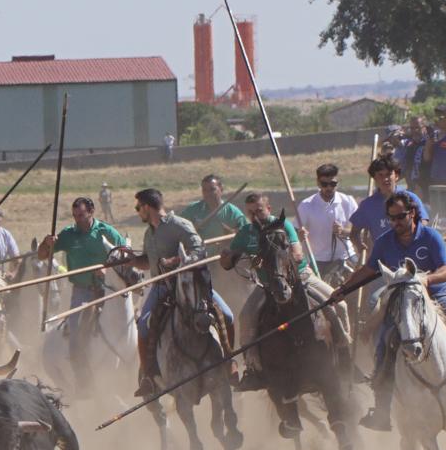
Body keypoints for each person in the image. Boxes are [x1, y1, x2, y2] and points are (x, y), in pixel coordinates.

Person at [332, 190, 446, 428]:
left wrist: (427, 280)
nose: (396, 222)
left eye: (400, 217)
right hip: (402, 301)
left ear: (413, 214)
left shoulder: (430, 236)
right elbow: (368, 270)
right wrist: (344, 289)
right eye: (392, 218)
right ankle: (382, 407)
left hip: (438, 296)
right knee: (384, 341)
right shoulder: (385, 241)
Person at [122, 188, 233, 398]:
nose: (138, 212)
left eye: (139, 208)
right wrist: (133, 261)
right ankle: (148, 376)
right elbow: (149, 263)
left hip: (188, 284)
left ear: (147, 207)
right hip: (161, 287)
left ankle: (229, 363)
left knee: (227, 315)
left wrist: (176, 260)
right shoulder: (149, 233)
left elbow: (199, 250)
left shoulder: (179, 225)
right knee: (144, 326)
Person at [221, 193, 337, 392]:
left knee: (338, 304)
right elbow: (226, 263)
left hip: (300, 279)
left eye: (259, 210)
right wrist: (227, 256)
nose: (255, 215)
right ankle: (252, 368)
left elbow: (298, 255)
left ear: (268, 207)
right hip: (267, 286)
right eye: (251, 212)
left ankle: (343, 353)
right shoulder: (246, 233)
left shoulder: (284, 225)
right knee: (246, 317)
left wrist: (273, 257)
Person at [38, 197, 127, 381]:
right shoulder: (68, 234)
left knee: (130, 320)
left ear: (91, 211)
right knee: (75, 327)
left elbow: (124, 255)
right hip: (82, 290)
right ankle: (81, 374)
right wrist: (47, 243)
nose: (78, 219)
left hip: (109, 289)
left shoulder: (106, 232)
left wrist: (107, 268)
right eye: (75, 216)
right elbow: (42, 256)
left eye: (81, 215)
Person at [353, 155, 432, 262]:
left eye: (389, 174)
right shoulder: (367, 205)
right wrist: (360, 246)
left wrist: (414, 237)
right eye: (380, 175)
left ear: (396, 176)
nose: (385, 179)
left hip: (413, 257)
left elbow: (423, 221)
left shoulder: (410, 198)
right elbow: (354, 233)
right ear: (374, 178)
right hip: (384, 261)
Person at [296, 163, 359, 282]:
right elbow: (294, 233)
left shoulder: (348, 202)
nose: (329, 188)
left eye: (333, 184)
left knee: (363, 280)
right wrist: (300, 235)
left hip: (345, 256)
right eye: (324, 184)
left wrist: (343, 231)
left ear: (337, 182)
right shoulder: (306, 205)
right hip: (317, 259)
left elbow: (357, 232)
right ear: (318, 183)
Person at [177, 174, 247, 240]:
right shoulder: (192, 210)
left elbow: (245, 237)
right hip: (199, 252)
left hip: (223, 252)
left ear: (221, 189)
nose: (208, 193)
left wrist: (232, 233)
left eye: (212, 189)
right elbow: (177, 229)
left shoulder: (234, 214)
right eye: (205, 190)